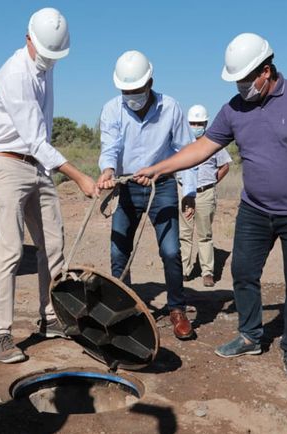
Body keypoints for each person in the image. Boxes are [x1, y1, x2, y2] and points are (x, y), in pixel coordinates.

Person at [134, 33, 287, 383]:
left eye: (247, 78)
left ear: (267, 71)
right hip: (255, 209)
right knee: (244, 272)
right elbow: (203, 146)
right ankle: (250, 335)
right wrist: (160, 167)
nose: (242, 85)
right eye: (237, 79)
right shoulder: (233, 109)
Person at [0, 8, 97, 364]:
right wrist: (79, 177)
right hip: (7, 163)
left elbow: (40, 137)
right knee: (12, 250)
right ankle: (0, 334)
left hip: (36, 166)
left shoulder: (45, 69)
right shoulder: (15, 74)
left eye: (55, 55)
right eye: (46, 53)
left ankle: (49, 318)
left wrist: (52, 170)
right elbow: (33, 138)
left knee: (54, 245)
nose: (50, 60)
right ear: (28, 38)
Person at [96, 50, 197, 340]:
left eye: (137, 89)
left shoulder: (171, 108)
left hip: (162, 186)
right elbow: (110, 147)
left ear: (150, 82)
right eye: (126, 90)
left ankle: (177, 309)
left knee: (170, 251)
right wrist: (107, 170)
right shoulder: (112, 109)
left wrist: (188, 190)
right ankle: (122, 307)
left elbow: (186, 151)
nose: (131, 95)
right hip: (126, 187)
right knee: (118, 251)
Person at [179, 104, 232, 287]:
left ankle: (207, 272)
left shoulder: (214, 143)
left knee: (205, 234)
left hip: (205, 193)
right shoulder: (181, 143)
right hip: (184, 192)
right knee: (184, 233)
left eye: (199, 123)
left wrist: (212, 182)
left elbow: (225, 165)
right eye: (192, 123)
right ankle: (184, 271)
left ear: (206, 123)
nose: (196, 126)